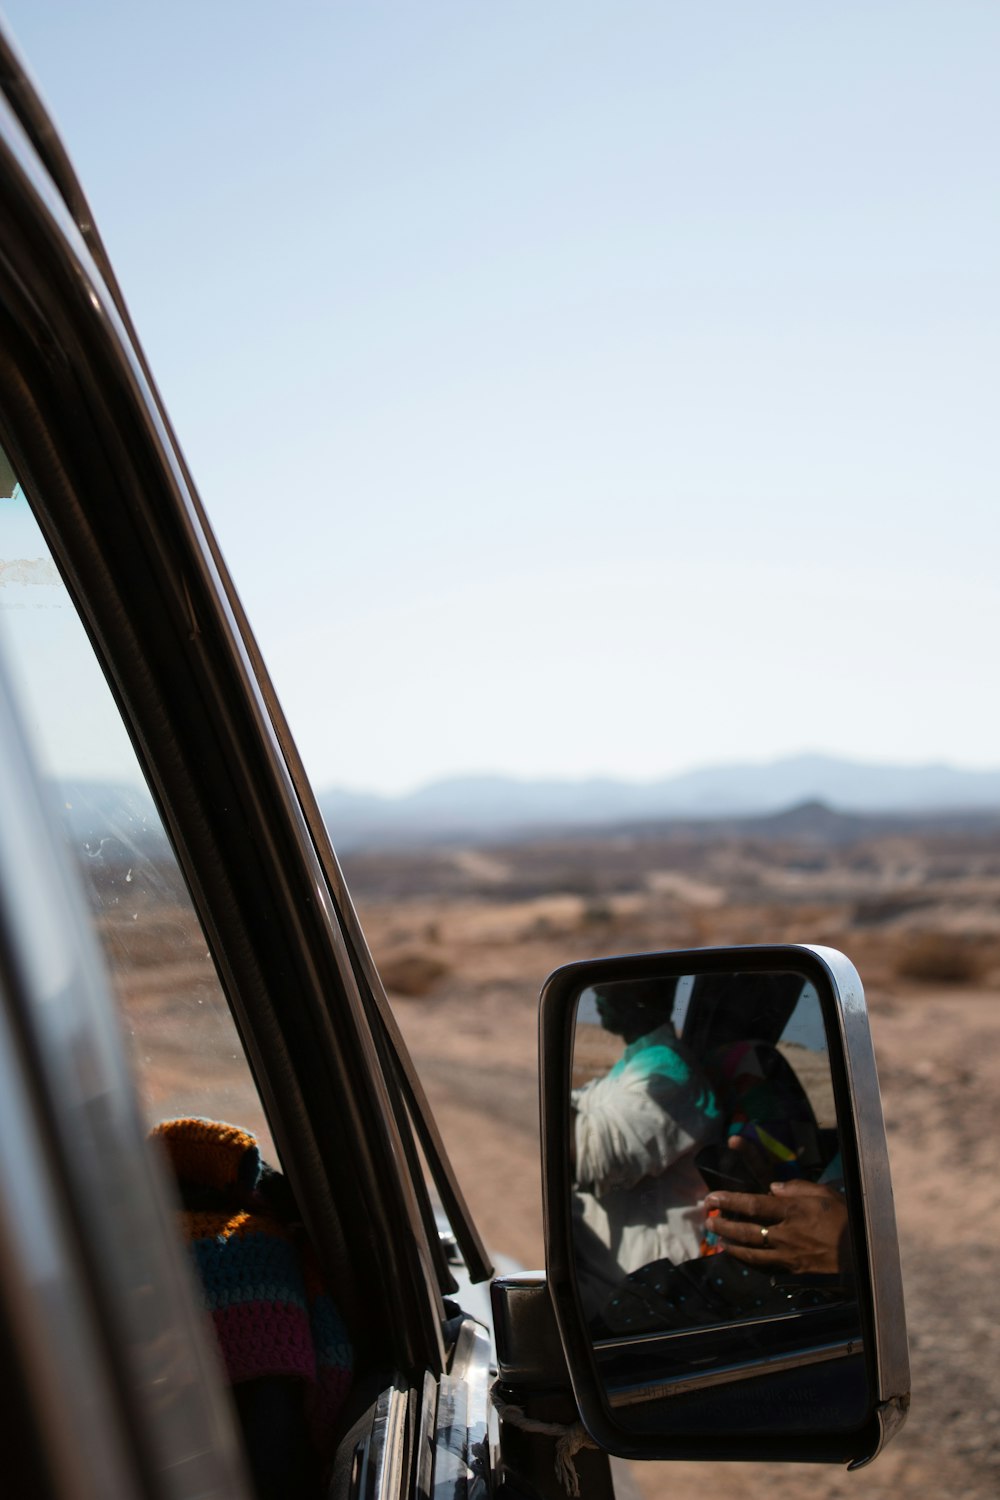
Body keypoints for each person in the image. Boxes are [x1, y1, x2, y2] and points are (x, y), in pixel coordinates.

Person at [571, 979, 722, 1323]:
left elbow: (591, 1152)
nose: (598, 993)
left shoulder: (666, 1071)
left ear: (645, 996)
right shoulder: (636, 1066)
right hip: (620, 1290)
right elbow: (582, 1107)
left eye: (612, 988)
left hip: (648, 1302)